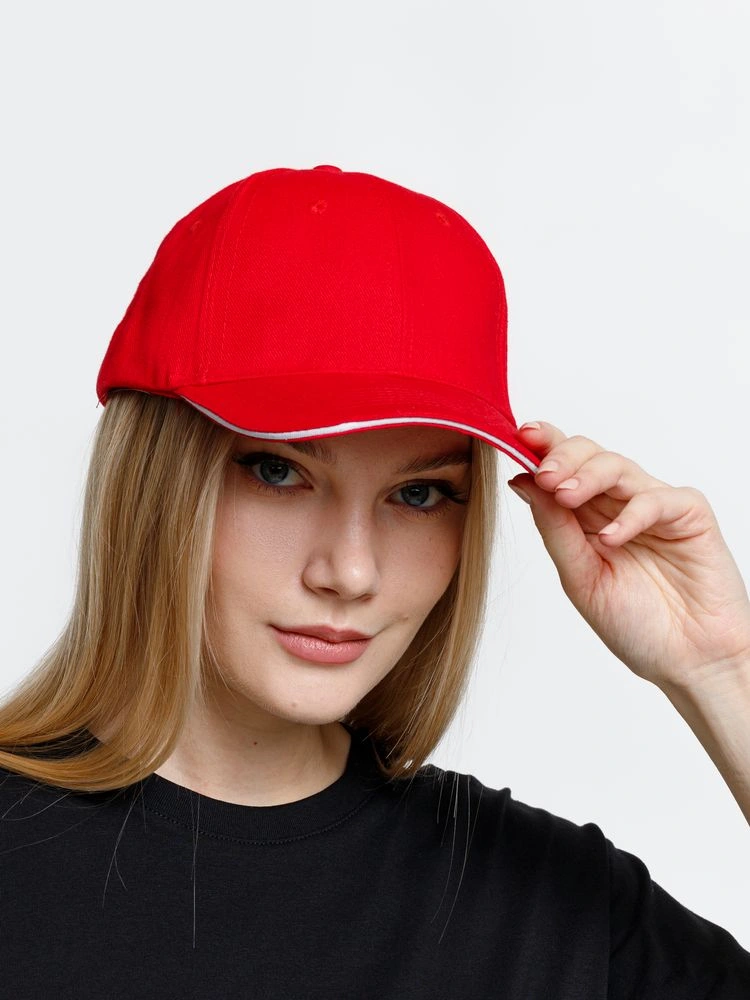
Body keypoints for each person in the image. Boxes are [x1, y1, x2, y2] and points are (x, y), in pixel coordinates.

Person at [0, 164, 748, 998]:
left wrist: (722, 669)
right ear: (153, 483)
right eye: (277, 472)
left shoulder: (552, 914)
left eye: (419, 494)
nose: (351, 572)